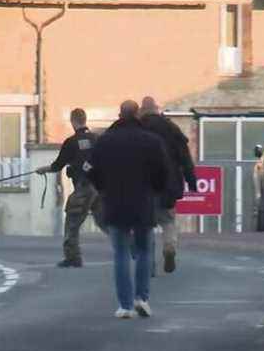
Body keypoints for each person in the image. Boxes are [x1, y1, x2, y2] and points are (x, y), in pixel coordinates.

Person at [85, 100, 168, 319]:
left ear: (119, 114)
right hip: (143, 203)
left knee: (121, 253)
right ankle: (142, 297)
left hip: (114, 202)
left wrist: (103, 187)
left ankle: (124, 305)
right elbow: (163, 172)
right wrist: (155, 191)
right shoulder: (152, 141)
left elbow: (89, 169)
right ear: (138, 114)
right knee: (143, 251)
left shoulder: (104, 141)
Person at [35, 108, 105, 268]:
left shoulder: (71, 142)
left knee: (72, 222)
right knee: (105, 221)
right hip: (99, 188)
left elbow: (57, 166)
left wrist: (42, 170)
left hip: (83, 187)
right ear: (85, 119)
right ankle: (131, 247)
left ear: (73, 121)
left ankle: (73, 257)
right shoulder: (97, 139)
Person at [138, 97, 197, 274]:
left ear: (142, 111)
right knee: (168, 220)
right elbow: (184, 156)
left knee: (146, 224)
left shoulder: (138, 128)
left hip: (144, 184)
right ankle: (169, 247)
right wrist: (191, 180)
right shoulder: (171, 128)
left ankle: (149, 265)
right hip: (168, 183)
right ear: (157, 109)